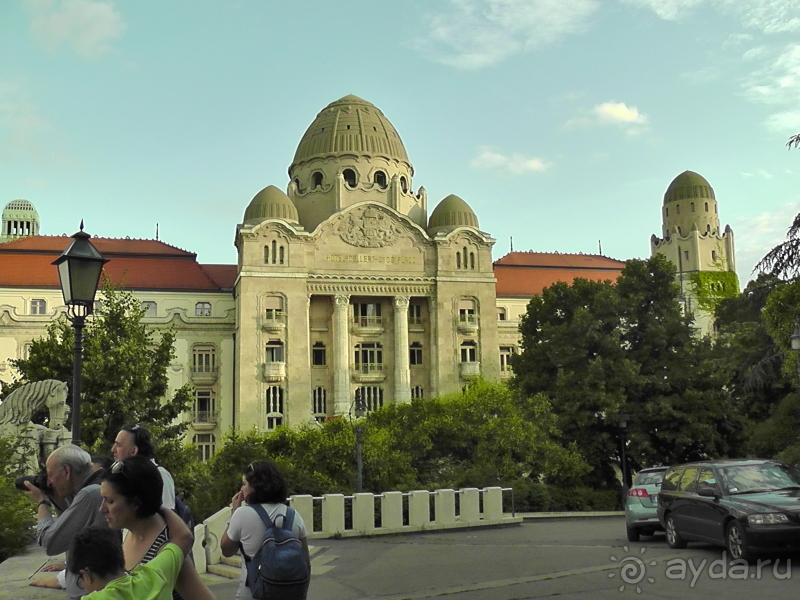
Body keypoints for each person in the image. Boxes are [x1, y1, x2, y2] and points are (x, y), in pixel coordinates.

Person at [101, 456, 215, 600]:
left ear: (136, 503)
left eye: (110, 501)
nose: (102, 508)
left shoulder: (165, 548)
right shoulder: (129, 532)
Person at [23, 445, 111, 600]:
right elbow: (69, 532)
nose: (49, 482)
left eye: (50, 475)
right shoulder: (97, 487)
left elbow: (49, 543)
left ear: (66, 471)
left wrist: (42, 502)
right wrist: (58, 500)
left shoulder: (90, 494)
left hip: (90, 592)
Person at [220, 460, 311, 600]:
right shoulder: (294, 516)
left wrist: (234, 512)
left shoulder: (242, 514)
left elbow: (226, 550)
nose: (242, 489)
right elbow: (305, 562)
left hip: (252, 593)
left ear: (256, 486)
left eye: (244, 484)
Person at [66, 503, 194, 600]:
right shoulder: (154, 576)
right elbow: (184, 538)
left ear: (86, 575)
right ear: (120, 556)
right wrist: (155, 505)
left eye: (80, 581)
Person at [111, 424, 175, 509]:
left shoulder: (160, 474)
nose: (113, 449)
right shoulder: (122, 474)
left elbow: (168, 511)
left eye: (119, 445)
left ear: (134, 451)